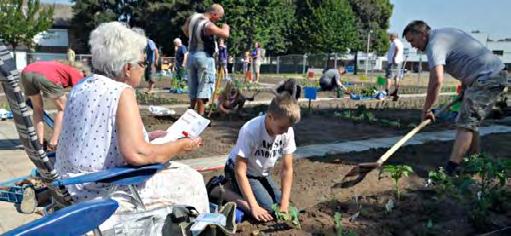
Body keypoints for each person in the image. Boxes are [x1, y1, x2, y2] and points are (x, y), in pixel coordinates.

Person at [55, 22, 209, 227]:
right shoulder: (121, 91)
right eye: (143, 63)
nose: (144, 69)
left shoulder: (84, 85)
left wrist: (149, 135)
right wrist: (182, 145)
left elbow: (98, 131)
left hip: (70, 182)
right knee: (191, 179)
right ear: (128, 67)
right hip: (98, 189)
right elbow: (138, 155)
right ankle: (199, 229)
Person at [403, 20, 508, 175]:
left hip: (488, 78)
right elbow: (467, 58)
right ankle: (475, 161)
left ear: (422, 34)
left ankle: (450, 169)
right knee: (470, 122)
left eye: (412, 41)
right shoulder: (445, 34)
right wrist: (466, 86)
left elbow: (436, 81)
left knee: (465, 123)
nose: (412, 46)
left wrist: (427, 108)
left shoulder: (434, 45)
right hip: (486, 76)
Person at [212, 92, 300, 222]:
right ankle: (220, 190)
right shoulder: (250, 130)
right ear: (270, 117)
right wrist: (253, 206)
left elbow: (287, 169)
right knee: (268, 210)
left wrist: (285, 202)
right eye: (282, 127)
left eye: (289, 127)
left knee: (282, 205)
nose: (286, 131)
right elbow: (239, 171)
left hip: (261, 173)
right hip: (239, 171)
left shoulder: (287, 131)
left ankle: (245, 193)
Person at [21, 60, 88, 151]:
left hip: (26, 73)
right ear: (82, 71)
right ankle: (53, 143)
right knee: (63, 109)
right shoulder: (76, 72)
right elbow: (84, 91)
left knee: (37, 109)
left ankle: (39, 143)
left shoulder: (58, 66)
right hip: (46, 75)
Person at [182, 4, 230, 116]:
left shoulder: (193, 18)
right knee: (204, 87)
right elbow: (225, 34)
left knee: (193, 86)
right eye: (219, 17)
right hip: (204, 57)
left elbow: (185, 30)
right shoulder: (208, 25)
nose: (219, 19)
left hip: (191, 55)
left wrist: (194, 38)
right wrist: (225, 26)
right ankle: (200, 116)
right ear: (214, 14)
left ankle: (190, 114)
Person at [132, 28, 160, 93]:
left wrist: (156, 60)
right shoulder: (145, 44)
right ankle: (149, 88)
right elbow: (145, 53)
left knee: (151, 74)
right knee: (147, 75)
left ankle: (151, 89)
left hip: (152, 61)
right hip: (148, 61)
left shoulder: (150, 42)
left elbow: (156, 51)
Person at [385, 33, 404, 100]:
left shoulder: (395, 42)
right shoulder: (400, 42)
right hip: (399, 62)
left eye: (390, 37)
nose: (389, 38)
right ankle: (395, 92)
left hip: (393, 62)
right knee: (397, 77)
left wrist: (394, 57)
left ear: (393, 37)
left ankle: (387, 91)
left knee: (389, 76)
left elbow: (397, 48)